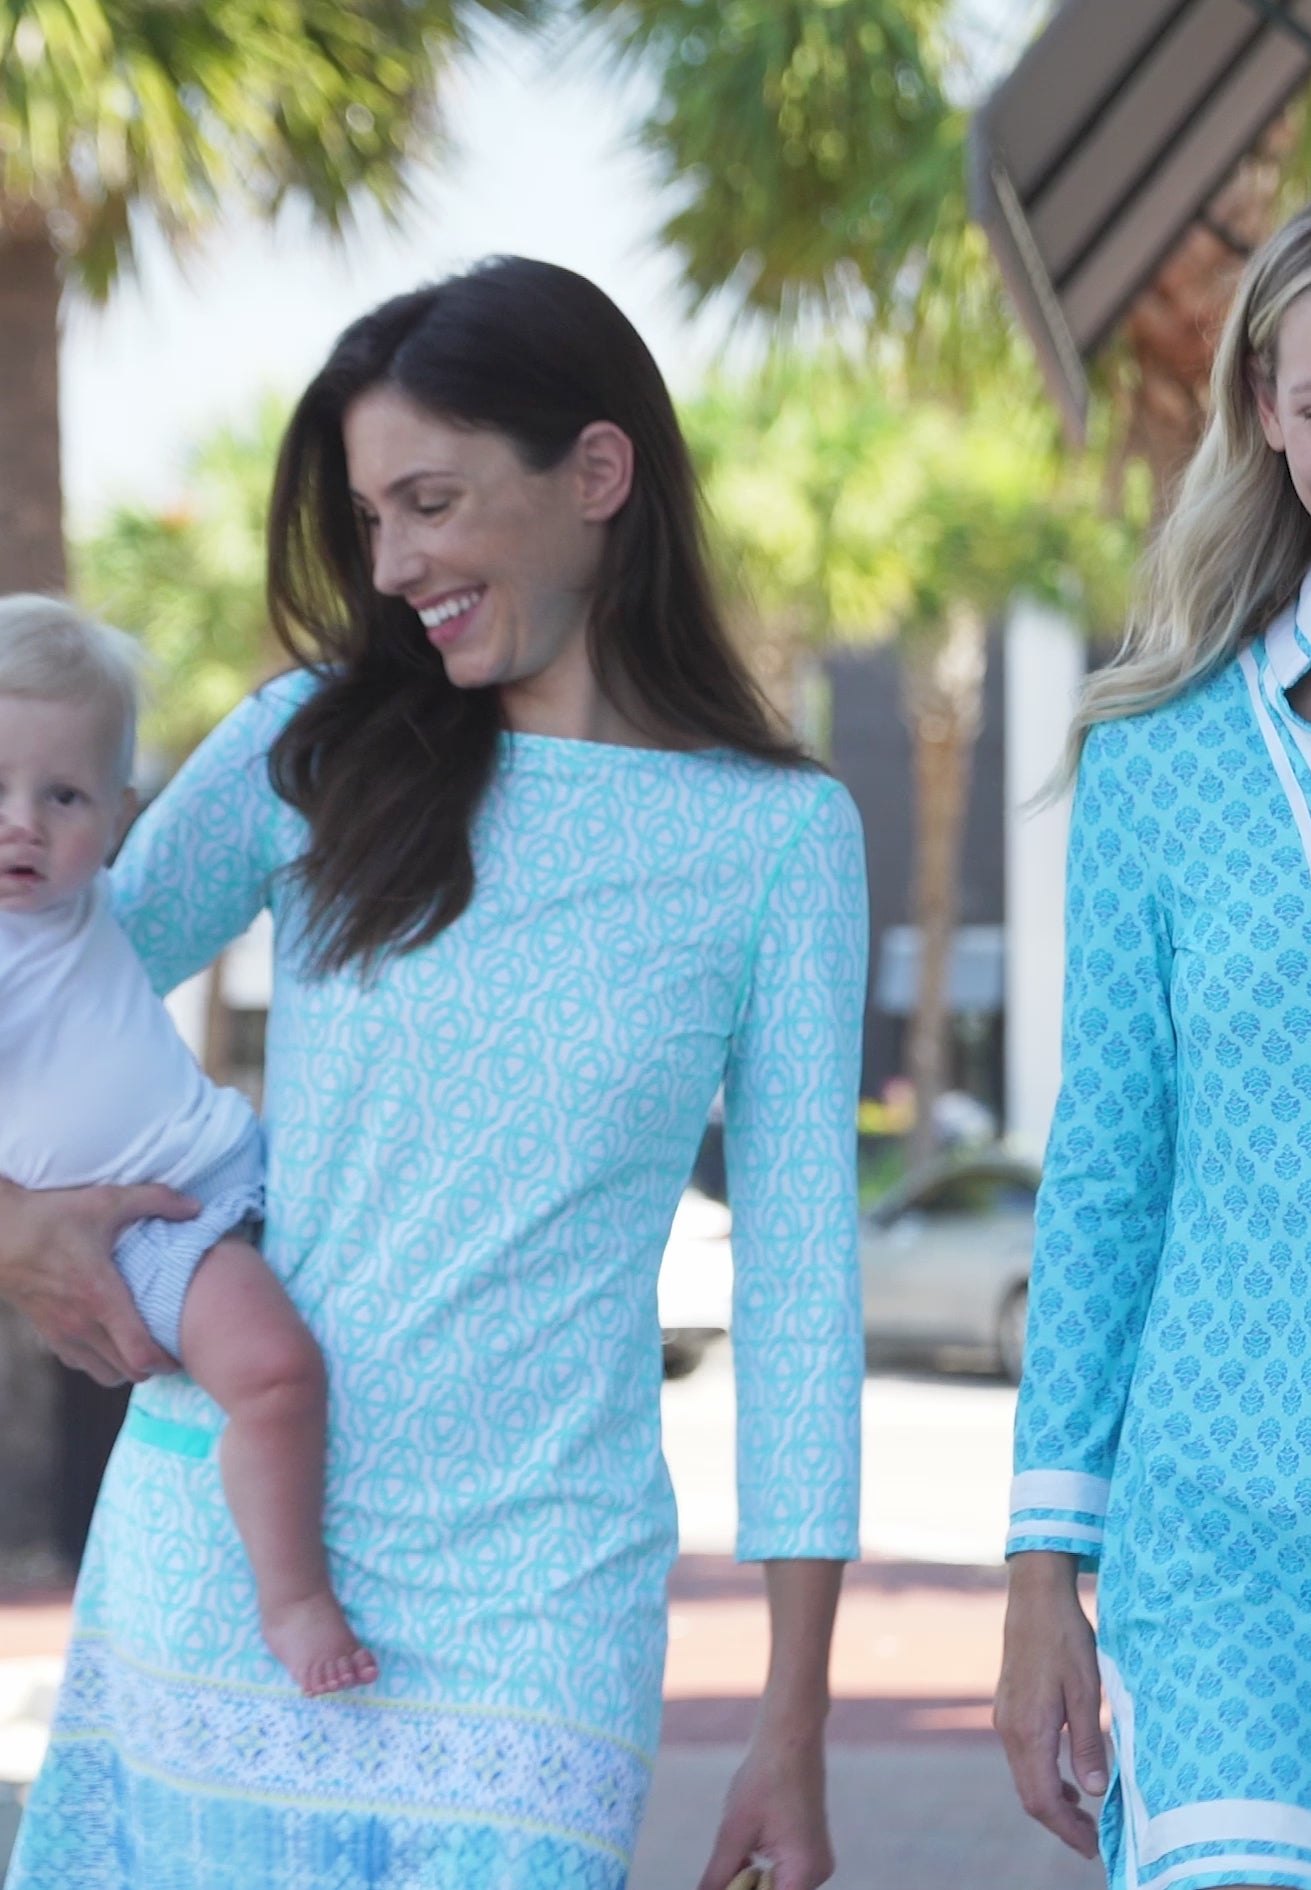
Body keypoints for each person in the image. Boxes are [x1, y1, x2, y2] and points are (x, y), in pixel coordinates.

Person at [1, 257, 868, 1890]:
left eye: (431, 503)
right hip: (218, 1567)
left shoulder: (777, 841)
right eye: (368, 518)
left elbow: (805, 1289)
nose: (391, 565)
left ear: (595, 473)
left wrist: (793, 1716)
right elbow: (42, 973)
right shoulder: (311, 747)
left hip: (541, 1617)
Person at [995, 185, 1311, 1890]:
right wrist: (1037, 1577)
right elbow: (1106, 1179)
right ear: (1267, 416)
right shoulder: (1161, 760)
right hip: (1223, 1543)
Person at [0, 595, 377, 1699]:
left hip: (231, 1166)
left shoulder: (81, 904)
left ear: (119, 815)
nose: (23, 823)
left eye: (62, 795)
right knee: (276, 1375)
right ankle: (293, 1601)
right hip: (150, 1230)